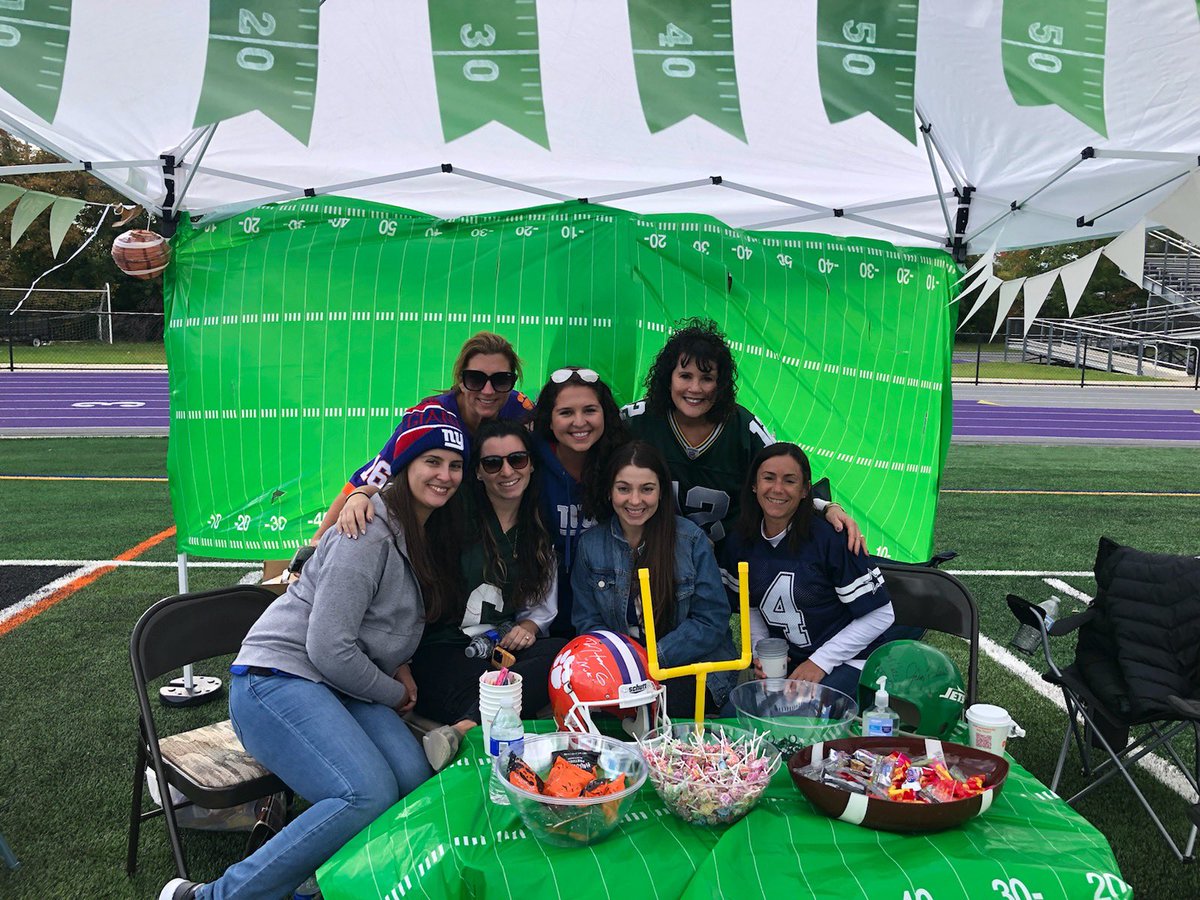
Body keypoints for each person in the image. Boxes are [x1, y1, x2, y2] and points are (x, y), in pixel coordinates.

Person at [159, 406, 467, 900]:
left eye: (455, 465)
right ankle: (209, 897)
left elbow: (385, 623)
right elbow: (329, 647)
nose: (445, 476)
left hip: (343, 683)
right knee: (364, 794)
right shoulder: (367, 530)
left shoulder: (426, 530)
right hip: (279, 678)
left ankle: (328, 885)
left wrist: (400, 666)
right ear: (405, 465)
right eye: (432, 461)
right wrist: (391, 692)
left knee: (412, 780)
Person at [622, 317, 863, 555]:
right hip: (649, 556)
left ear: (722, 384)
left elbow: (782, 481)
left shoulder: (744, 430)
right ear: (668, 377)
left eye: (707, 378)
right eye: (685, 376)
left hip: (728, 563)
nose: (695, 388)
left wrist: (826, 507)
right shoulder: (637, 420)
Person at [407, 421, 566, 768]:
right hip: (442, 653)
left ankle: (462, 730)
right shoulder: (453, 515)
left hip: (494, 648)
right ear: (477, 472)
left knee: (560, 654)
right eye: (493, 463)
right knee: (503, 687)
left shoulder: (536, 527)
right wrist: (360, 495)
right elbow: (399, 496)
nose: (507, 471)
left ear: (532, 463)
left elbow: (540, 609)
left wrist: (528, 627)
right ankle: (476, 724)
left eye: (518, 460)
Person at [314, 331, 534, 541]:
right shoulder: (429, 418)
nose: (488, 390)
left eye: (501, 380)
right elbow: (375, 474)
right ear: (459, 379)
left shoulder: (519, 409)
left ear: (513, 381)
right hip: (438, 528)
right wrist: (318, 540)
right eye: (475, 379)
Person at [570, 441, 738, 716]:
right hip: (622, 673)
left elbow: (711, 619)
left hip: (690, 668)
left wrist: (651, 659)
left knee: (657, 711)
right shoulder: (591, 545)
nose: (635, 501)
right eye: (623, 488)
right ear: (609, 492)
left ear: (661, 492)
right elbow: (588, 623)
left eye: (647, 489)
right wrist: (625, 665)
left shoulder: (690, 539)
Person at [719, 442, 896, 699]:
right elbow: (751, 604)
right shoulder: (740, 540)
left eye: (790, 481)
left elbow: (881, 614)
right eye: (768, 478)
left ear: (805, 490)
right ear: (754, 484)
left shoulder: (832, 538)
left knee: (799, 713)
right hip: (794, 664)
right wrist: (761, 651)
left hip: (851, 660)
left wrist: (820, 662)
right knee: (735, 714)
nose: (777, 489)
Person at [530, 366, 629, 637]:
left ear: (605, 415)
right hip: (542, 609)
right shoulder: (529, 463)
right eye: (566, 413)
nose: (579, 422)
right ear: (549, 420)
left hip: (606, 611)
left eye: (589, 410)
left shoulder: (620, 464)